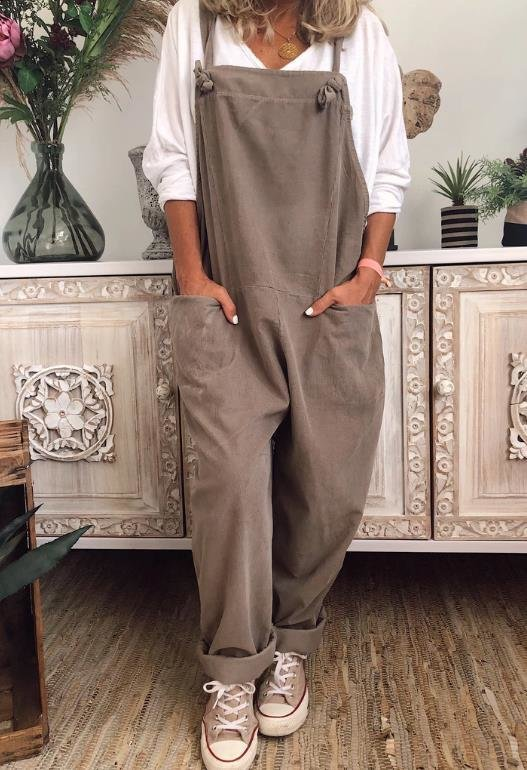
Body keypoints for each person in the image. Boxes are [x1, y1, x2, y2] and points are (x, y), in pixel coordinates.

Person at [142, 0, 411, 765]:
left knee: (327, 487)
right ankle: (233, 670)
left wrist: (367, 274)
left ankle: (290, 641)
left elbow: (385, 165)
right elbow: (173, 156)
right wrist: (191, 276)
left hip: (328, 299)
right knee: (229, 485)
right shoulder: (194, 24)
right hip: (226, 302)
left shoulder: (357, 34)